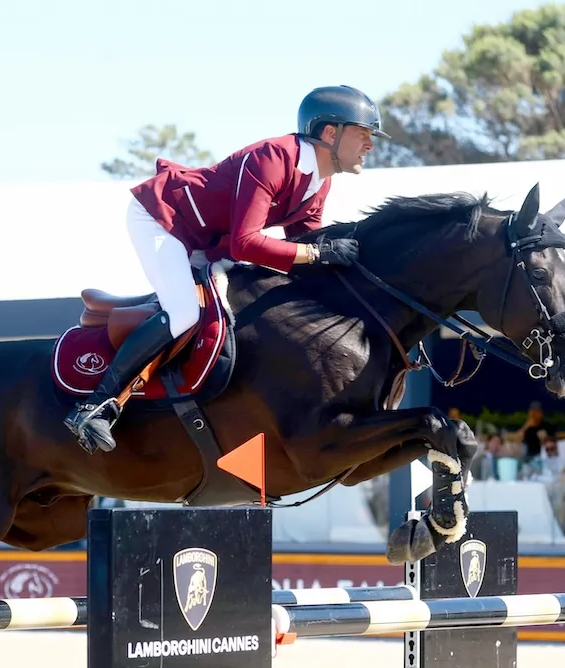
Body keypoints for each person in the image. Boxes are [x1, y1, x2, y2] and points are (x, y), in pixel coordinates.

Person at [64, 85, 389, 454]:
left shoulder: (319, 183)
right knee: (184, 311)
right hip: (164, 219)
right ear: (330, 133)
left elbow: (305, 245)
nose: (370, 145)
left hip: (206, 240)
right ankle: (95, 406)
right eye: (363, 134)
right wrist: (317, 256)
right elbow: (247, 243)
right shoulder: (273, 158)